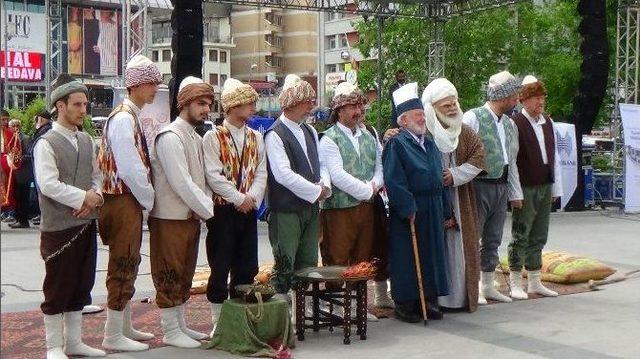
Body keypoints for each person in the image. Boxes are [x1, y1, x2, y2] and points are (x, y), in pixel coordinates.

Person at [34, 74, 105, 359]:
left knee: (81, 285)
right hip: (59, 227)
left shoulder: (87, 140)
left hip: (86, 225)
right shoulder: (46, 143)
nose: (83, 110)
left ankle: (74, 342)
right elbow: (47, 184)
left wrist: (96, 196)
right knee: (57, 287)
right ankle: (53, 346)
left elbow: (97, 176)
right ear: (60, 106)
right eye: (77, 104)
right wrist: (83, 197)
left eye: (85, 104)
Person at [98, 55, 162, 352]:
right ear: (135, 85)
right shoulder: (124, 118)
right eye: (150, 83)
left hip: (127, 198)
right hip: (123, 198)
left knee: (130, 261)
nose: (155, 88)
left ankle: (123, 325)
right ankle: (113, 334)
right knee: (122, 262)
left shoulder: (128, 115)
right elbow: (130, 167)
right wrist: (148, 198)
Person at [149, 76, 214, 348]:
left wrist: (204, 207)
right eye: (201, 103)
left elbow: (201, 180)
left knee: (185, 273)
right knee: (169, 273)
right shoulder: (169, 137)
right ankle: (170, 330)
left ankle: (181, 326)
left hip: (190, 218)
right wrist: (209, 210)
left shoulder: (194, 136)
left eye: (209, 104)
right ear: (184, 103)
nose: (206, 109)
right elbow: (181, 182)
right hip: (170, 218)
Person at [202, 78, 266, 335]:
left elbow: (262, 172)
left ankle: (241, 318)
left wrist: (251, 198)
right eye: (248, 103)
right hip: (223, 212)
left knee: (247, 266)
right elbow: (213, 175)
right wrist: (239, 199)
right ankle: (218, 321)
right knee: (220, 263)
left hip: (248, 210)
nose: (253, 108)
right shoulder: (213, 137)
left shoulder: (256, 137)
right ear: (233, 105)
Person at [318, 82, 387, 317]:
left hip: (366, 208)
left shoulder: (370, 134)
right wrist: (368, 191)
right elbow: (337, 175)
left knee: (362, 256)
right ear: (339, 110)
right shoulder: (329, 138)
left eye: (359, 105)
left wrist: (375, 184)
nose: (358, 111)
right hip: (339, 209)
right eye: (352, 106)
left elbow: (380, 165)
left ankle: (357, 307)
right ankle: (336, 306)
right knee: (337, 257)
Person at [383, 83, 449, 323]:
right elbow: (394, 179)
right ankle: (406, 302)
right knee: (408, 256)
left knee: (432, 253)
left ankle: (428, 299)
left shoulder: (429, 143)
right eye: (417, 114)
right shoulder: (397, 144)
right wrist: (407, 206)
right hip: (411, 208)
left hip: (433, 205)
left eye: (422, 114)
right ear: (403, 120)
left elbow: (439, 176)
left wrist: (446, 206)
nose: (422, 118)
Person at [421, 78, 486, 312]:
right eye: (445, 105)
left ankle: (459, 298)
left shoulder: (465, 131)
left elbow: (479, 157)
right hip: (431, 200)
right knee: (434, 247)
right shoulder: (423, 131)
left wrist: (456, 174)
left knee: (459, 248)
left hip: (460, 199)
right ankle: (434, 300)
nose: (452, 108)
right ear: (433, 108)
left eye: (453, 103)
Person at [265, 74, 331, 299]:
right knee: (285, 261)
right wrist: (316, 191)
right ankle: (282, 314)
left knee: (308, 260)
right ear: (292, 103)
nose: (310, 107)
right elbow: (283, 174)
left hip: (310, 208)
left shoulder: (309, 131)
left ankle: (303, 311)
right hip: (286, 210)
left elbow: (320, 164)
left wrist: (324, 186)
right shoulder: (275, 134)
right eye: (306, 102)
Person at [462, 71, 522, 304]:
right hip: (478, 185)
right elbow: (462, 153)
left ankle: (488, 285)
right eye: (514, 94)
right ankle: (473, 286)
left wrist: (515, 192)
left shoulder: (509, 124)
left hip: (501, 185)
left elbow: (512, 160)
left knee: (494, 238)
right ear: (503, 95)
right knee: (473, 236)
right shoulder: (473, 117)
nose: (516, 98)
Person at [507, 75, 563, 299]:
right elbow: (511, 160)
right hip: (526, 186)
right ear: (523, 100)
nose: (540, 102)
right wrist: (515, 192)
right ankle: (514, 281)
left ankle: (534, 280)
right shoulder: (515, 123)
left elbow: (554, 157)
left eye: (542, 98)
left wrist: (555, 188)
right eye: (535, 98)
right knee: (521, 234)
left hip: (544, 185)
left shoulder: (547, 122)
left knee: (539, 234)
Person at [8, 119, 32, 228]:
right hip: (14, 174)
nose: (12, 128)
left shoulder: (25, 138)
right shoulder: (11, 139)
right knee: (17, 197)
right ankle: (18, 218)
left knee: (23, 198)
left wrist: (18, 159)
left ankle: (23, 221)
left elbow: (29, 155)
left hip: (23, 174)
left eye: (14, 126)